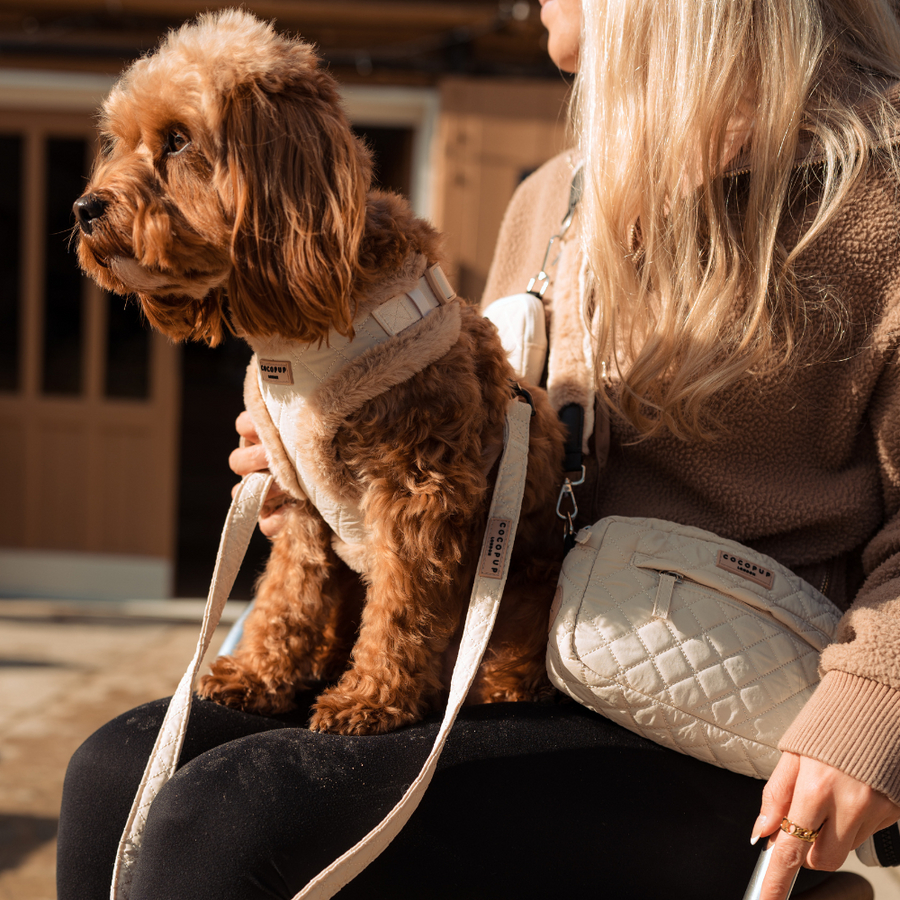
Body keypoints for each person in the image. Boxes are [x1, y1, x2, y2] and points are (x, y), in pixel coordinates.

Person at [57, 0, 900, 898]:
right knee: (116, 768)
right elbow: (481, 455)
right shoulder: (553, 192)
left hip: (709, 718)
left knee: (230, 822)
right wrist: (326, 478)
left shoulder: (876, 201)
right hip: (504, 661)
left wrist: (872, 710)